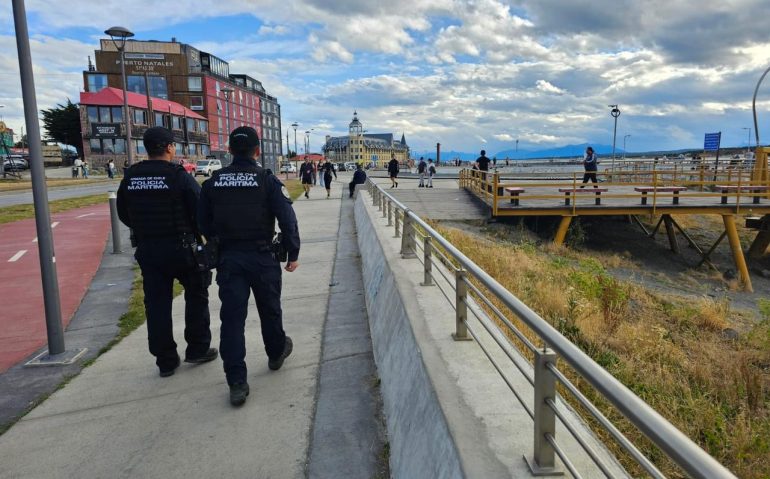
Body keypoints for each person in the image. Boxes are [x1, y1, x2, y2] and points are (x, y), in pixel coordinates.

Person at [198, 126, 300, 406]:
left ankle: (236, 382)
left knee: (232, 320)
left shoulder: (214, 182)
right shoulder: (266, 180)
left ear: (230, 150)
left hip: (230, 259)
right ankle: (276, 353)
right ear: (257, 151)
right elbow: (287, 219)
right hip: (263, 256)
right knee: (270, 310)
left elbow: (202, 221)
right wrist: (292, 253)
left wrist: (218, 240)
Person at [116, 126, 217, 378]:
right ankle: (197, 348)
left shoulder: (131, 176)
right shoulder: (178, 176)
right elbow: (200, 210)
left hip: (149, 249)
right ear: (170, 147)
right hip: (183, 248)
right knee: (196, 294)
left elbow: (123, 213)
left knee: (156, 304)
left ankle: (165, 360)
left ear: (146, 148)